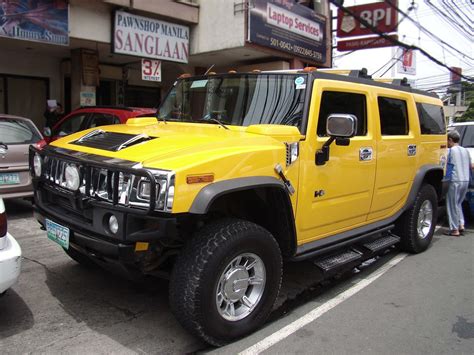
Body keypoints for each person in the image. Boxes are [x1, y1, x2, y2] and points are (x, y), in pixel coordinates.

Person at [444, 130, 472, 236]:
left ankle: (454, 229)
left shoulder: (449, 151)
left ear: (450, 140)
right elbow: (471, 165)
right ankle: (461, 224)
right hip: (465, 179)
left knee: (451, 204)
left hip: (454, 180)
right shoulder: (465, 151)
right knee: (458, 203)